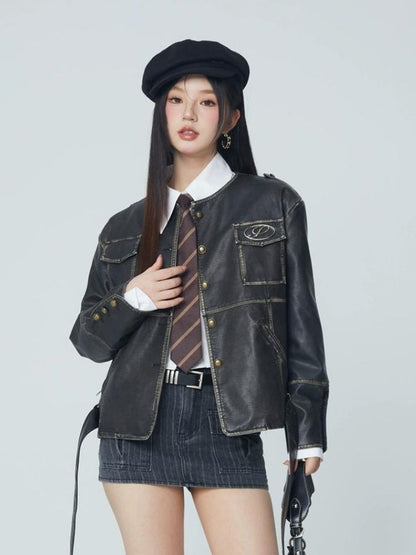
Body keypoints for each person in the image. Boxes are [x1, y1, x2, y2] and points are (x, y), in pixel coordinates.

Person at [69, 39, 329, 555]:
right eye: (176, 100)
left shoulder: (273, 204)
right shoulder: (124, 225)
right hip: (135, 424)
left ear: (230, 118)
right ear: (161, 112)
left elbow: (302, 325)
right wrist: (133, 298)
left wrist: (308, 434)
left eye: (206, 101)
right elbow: (87, 341)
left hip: (227, 419)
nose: (188, 114)